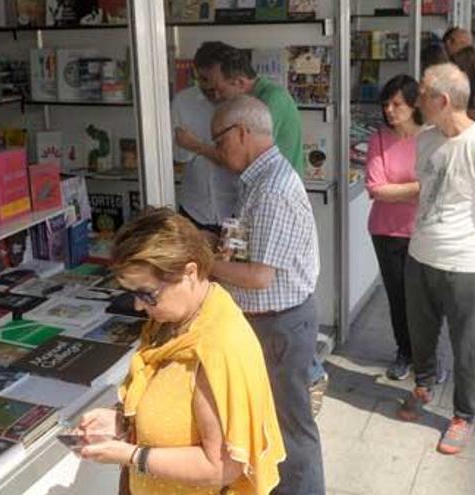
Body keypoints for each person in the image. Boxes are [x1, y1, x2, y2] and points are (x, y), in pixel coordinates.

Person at [75, 207, 286, 495]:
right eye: (132, 293)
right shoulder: (171, 322)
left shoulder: (218, 348)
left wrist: (130, 455)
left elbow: (222, 466)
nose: (138, 306)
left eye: (147, 293)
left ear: (190, 272)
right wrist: (122, 420)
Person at [396, 63, 475, 456]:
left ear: (442, 101)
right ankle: (423, 386)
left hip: (466, 265)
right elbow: (426, 190)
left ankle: (463, 414)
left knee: (467, 345)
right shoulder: (427, 139)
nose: (416, 101)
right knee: (421, 334)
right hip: (421, 257)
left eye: (423, 95)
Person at [210, 95, 325, 494]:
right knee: (274, 423)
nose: (218, 151)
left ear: (241, 133)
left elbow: (259, 277)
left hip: (279, 325)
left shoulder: (272, 187)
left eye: (219, 141)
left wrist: (202, 264)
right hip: (274, 322)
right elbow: (251, 251)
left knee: (290, 430)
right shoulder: (259, 179)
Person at [364, 75, 423, 381]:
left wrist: (396, 191)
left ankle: (425, 356)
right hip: (386, 232)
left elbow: (441, 186)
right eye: (386, 103)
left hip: (423, 233)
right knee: (398, 296)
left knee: (424, 299)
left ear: (414, 105)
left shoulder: (430, 137)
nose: (389, 109)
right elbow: (376, 189)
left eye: (397, 103)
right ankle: (404, 352)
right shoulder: (379, 139)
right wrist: (418, 188)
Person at [176, 41, 305, 176]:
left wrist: (195, 145)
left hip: (276, 190)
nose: (214, 97)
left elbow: (238, 159)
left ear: (240, 82)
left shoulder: (271, 99)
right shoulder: (250, 100)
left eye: (217, 90)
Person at [170, 45, 240, 232]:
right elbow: (178, 156)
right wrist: (188, 147)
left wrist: (196, 145)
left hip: (235, 208)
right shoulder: (183, 101)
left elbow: (239, 160)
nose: (213, 92)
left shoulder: (242, 103)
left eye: (217, 84)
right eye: (204, 81)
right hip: (194, 207)